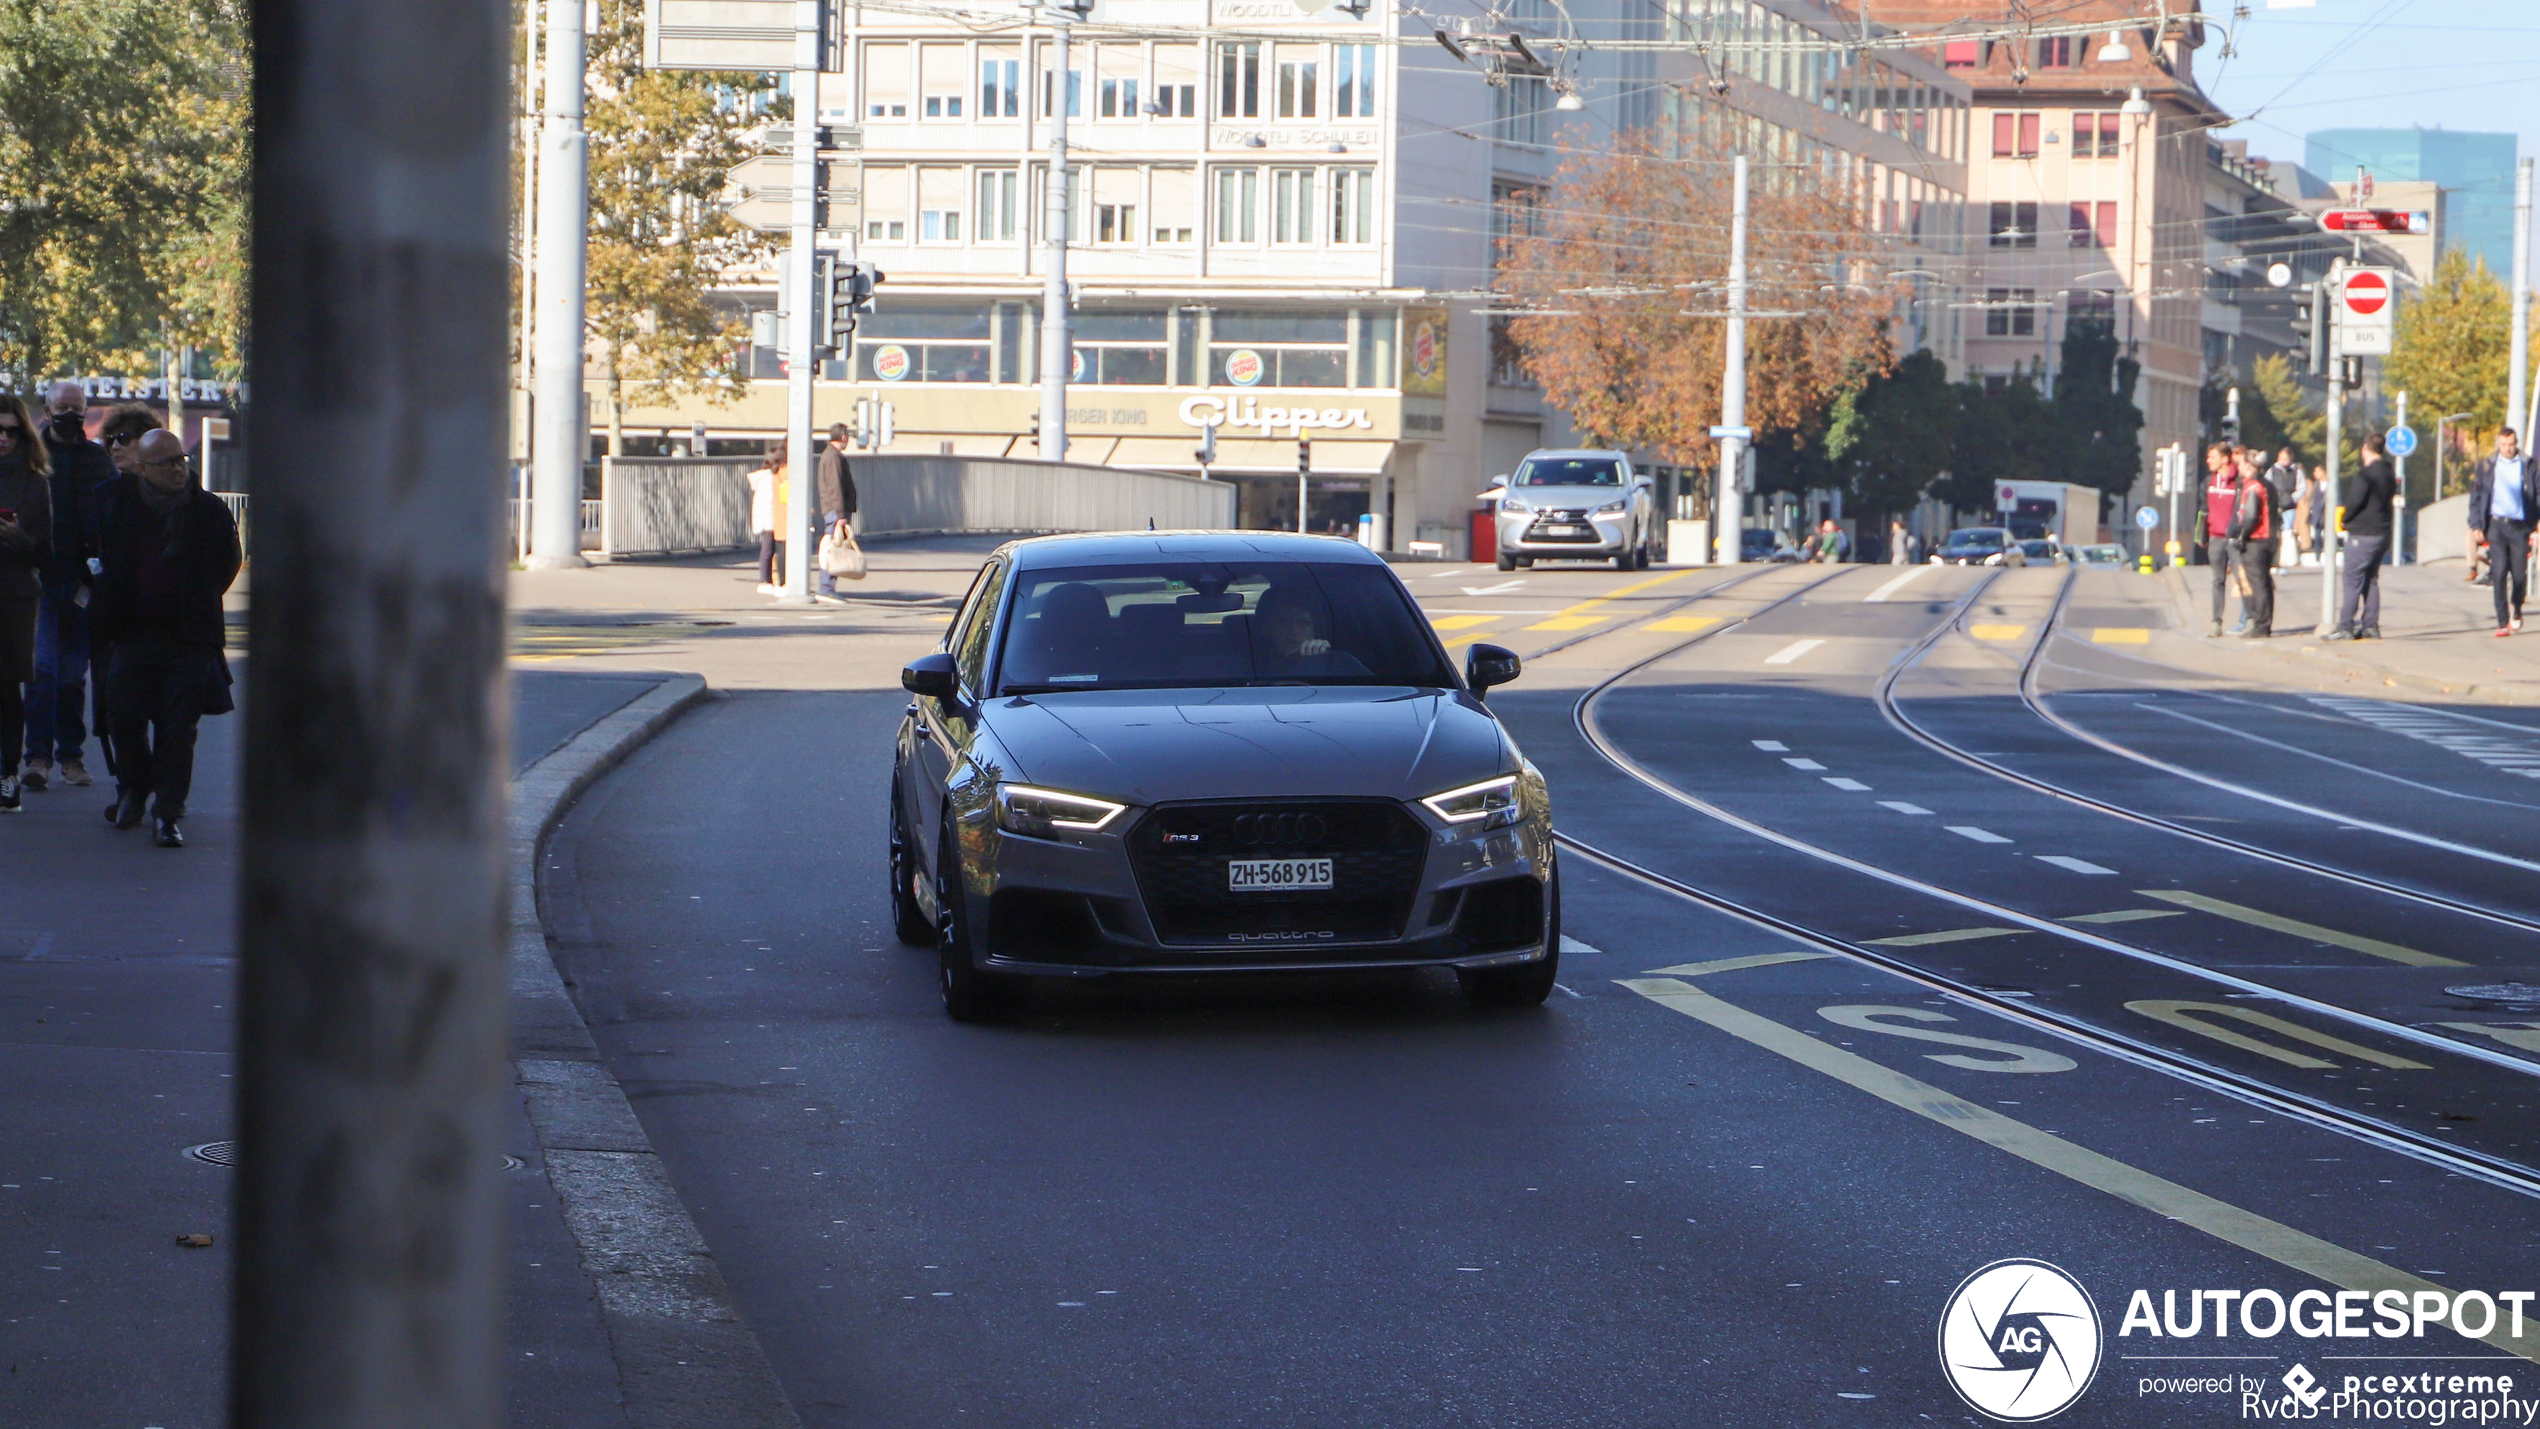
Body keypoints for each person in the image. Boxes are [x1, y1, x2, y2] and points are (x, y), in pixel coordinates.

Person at [91, 429, 241, 847]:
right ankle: (135, 791)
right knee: (123, 717)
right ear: (142, 469)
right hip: (131, 633)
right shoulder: (119, 504)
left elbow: (228, 564)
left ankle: (168, 811)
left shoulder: (208, 510)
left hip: (189, 636)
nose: (179, 468)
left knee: (178, 728)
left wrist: (199, 598)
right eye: (168, 462)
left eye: (181, 459)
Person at [24, 381, 112, 791]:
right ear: (47, 409)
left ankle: (71, 757)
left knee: (73, 677)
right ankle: (37, 758)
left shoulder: (98, 460)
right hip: (37, 581)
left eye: (77, 408)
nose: (70, 414)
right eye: (63, 406)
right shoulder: (29, 458)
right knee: (42, 670)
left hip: (81, 583)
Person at [0, 394, 56, 813]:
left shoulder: (35, 482)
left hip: (13, 596)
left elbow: (43, 553)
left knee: (5, 687)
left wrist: (13, 534)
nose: (3, 439)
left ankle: (8, 774)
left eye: (12, 431)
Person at [2468, 428, 2540, 636]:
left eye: (2510, 445)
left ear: (2515, 444)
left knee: (2519, 575)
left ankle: (2516, 608)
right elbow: (2477, 496)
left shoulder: (2528, 465)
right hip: (2496, 525)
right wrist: (2476, 524)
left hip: (2519, 526)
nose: (2507, 449)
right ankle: (2501, 622)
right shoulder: (2487, 466)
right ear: (2498, 445)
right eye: (2503, 445)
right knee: (2498, 573)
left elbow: (2537, 493)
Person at [2327, 433, 2396, 641]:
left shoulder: (2365, 475)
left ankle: (2345, 626)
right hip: (2382, 533)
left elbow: (2354, 502)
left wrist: (2345, 519)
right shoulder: (2389, 473)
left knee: (2352, 580)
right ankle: (2370, 626)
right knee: (2371, 579)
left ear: (2365, 448)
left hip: (2363, 533)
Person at [2229, 446, 2276, 637]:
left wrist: (2241, 536)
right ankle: (2264, 623)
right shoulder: (2267, 484)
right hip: (2269, 539)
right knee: (2264, 582)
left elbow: (2249, 516)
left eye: (2240, 464)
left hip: (2256, 540)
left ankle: (2260, 625)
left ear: (2248, 465)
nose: (2238, 468)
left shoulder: (2253, 486)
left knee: (2257, 584)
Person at [814, 423, 859, 599]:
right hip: (835, 510)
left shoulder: (831, 455)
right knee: (833, 548)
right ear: (843, 437)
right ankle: (826, 587)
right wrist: (841, 514)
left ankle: (828, 585)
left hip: (833, 509)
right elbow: (835, 487)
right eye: (847, 435)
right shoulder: (833, 457)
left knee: (835, 546)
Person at [2201, 443, 2240, 637]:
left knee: (2243, 579)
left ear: (2225, 459)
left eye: (2212, 457)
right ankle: (2216, 622)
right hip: (2215, 538)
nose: (2208, 460)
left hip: (2234, 539)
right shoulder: (2208, 481)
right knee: (2218, 581)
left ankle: (2250, 620)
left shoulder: (2238, 481)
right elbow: (2203, 509)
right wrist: (2202, 534)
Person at [747, 439, 788, 593]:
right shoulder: (769, 478)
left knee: (769, 550)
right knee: (769, 550)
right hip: (770, 518)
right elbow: (773, 500)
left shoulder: (763, 477)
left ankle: (767, 579)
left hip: (767, 518)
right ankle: (765, 580)